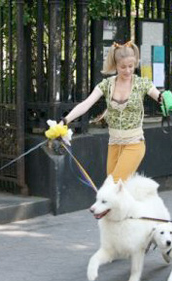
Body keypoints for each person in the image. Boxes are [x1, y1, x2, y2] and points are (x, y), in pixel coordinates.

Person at [60, 40, 163, 182]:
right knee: (117, 190)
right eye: (123, 67)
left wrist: (165, 99)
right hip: (114, 143)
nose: (127, 70)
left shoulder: (141, 83)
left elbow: (158, 95)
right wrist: (64, 121)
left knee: (113, 186)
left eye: (131, 66)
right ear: (115, 66)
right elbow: (86, 104)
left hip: (134, 143)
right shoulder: (107, 84)